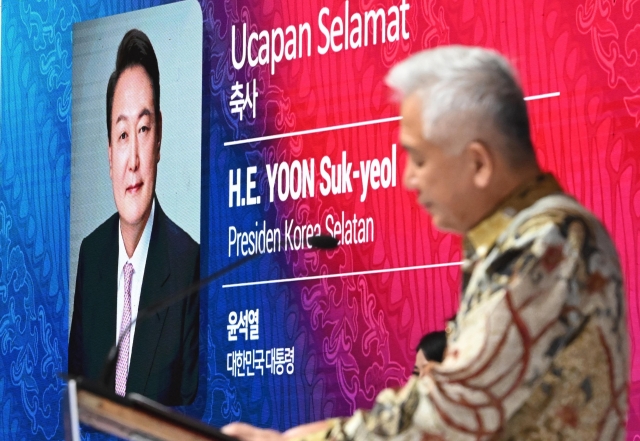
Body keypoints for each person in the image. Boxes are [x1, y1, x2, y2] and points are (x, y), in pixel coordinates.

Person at [222, 45, 629, 440]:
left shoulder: (550, 242)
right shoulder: (526, 237)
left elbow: (449, 413)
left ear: (478, 163)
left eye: (418, 159)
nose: (408, 179)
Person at [68, 29, 200, 406]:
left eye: (143, 129)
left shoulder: (189, 264)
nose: (134, 161)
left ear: (159, 137)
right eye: (123, 135)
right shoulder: (91, 255)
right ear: (109, 155)